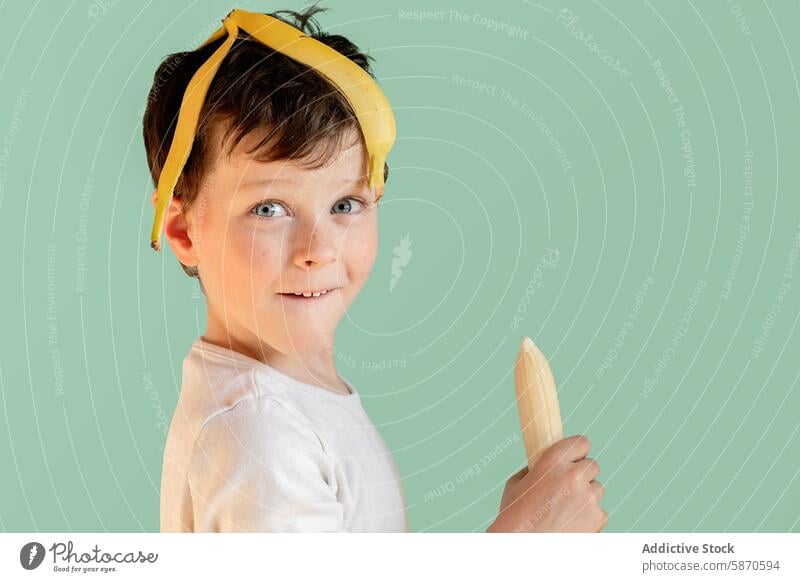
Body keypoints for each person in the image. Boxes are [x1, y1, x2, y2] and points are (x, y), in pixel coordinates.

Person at [143, 4, 605, 533]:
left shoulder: (288, 403)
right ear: (183, 231)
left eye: (345, 204)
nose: (317, 249)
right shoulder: (261, 435)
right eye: (268, 209)